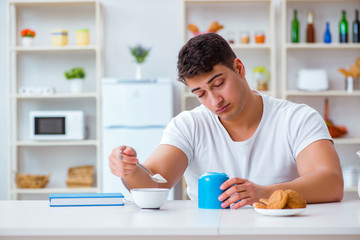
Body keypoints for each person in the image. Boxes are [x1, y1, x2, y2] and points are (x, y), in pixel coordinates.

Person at [109, 33, 344, 209]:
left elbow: (331, 183)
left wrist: (263, 192)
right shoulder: (188, 125)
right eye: (200, 94)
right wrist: (128, 170)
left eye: (218, 84)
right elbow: (154, 182)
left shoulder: (297, 118)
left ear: (239, 68)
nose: (214, 100)